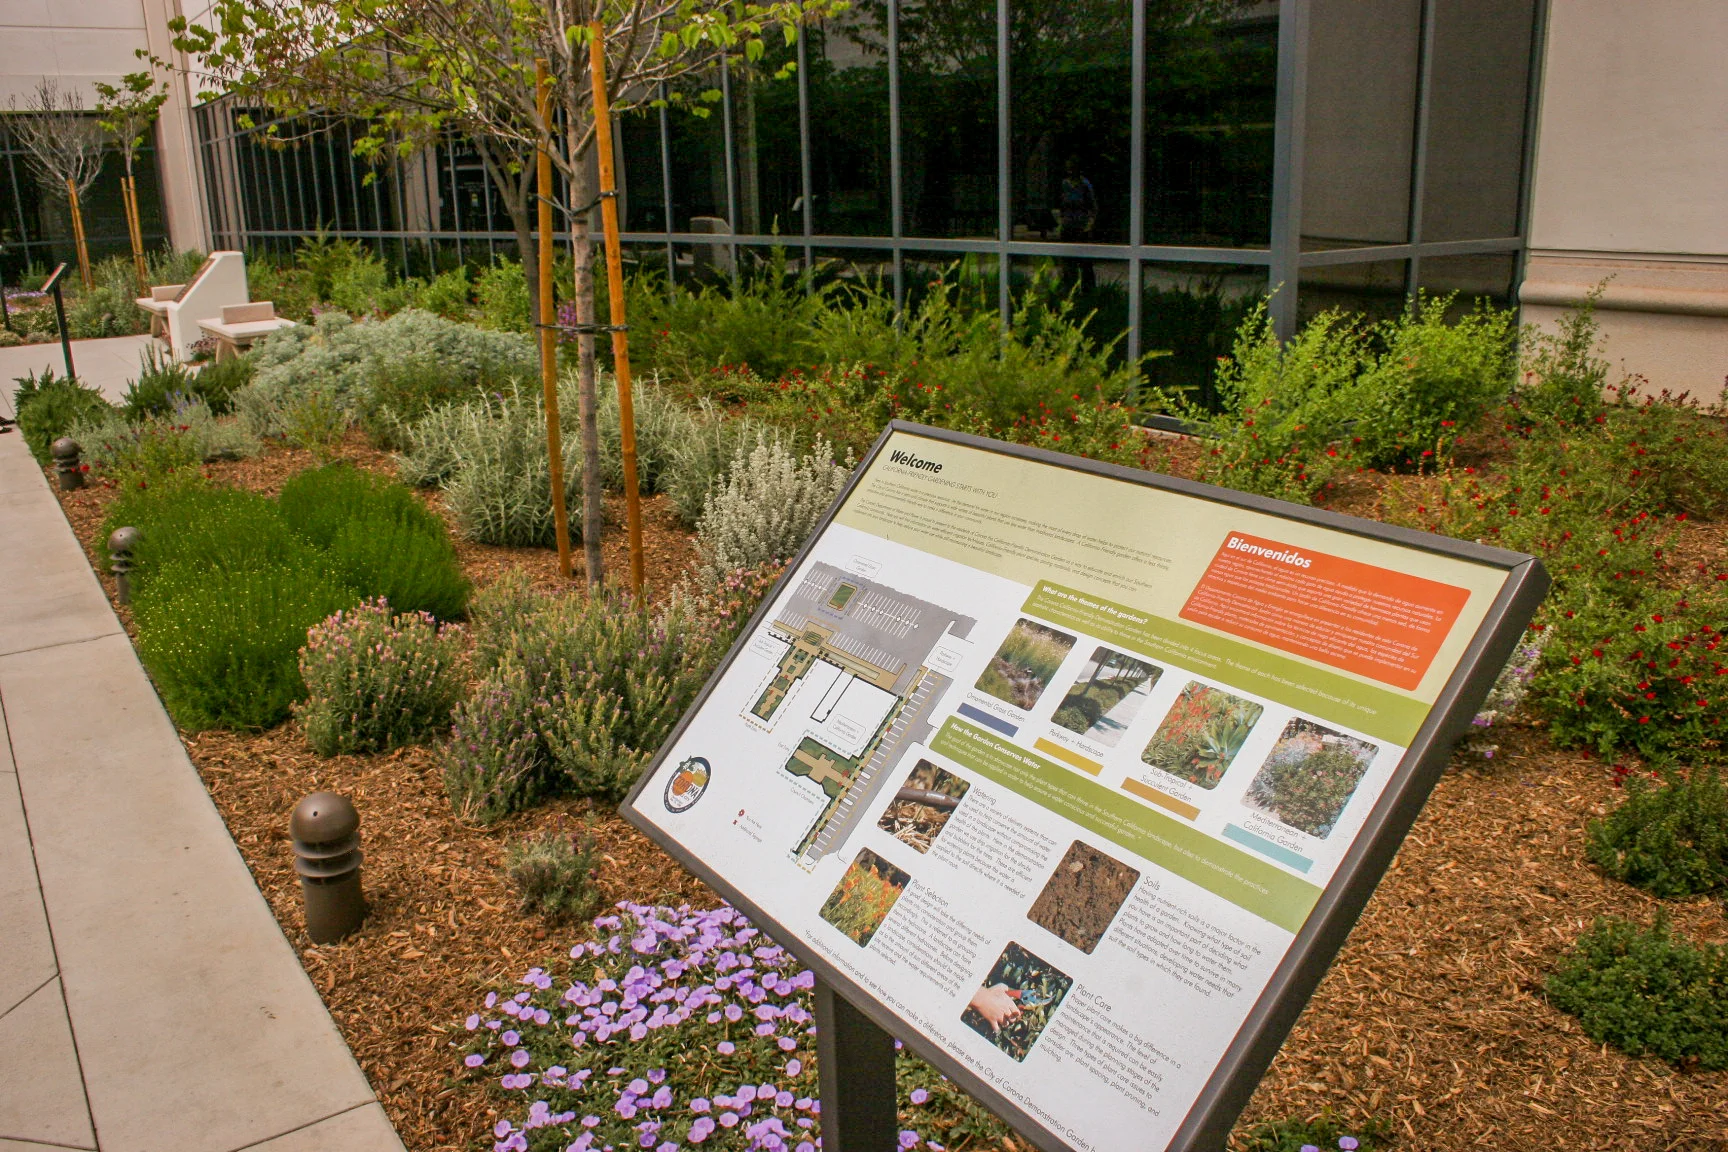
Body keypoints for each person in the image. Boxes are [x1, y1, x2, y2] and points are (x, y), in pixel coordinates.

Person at [1058, 158, 1098, 292]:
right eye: (1068, 167)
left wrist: (1089, 226)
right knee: (1068, 262)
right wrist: (1061, 223)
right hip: (1067, 227)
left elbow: (1093, 208)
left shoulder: (1085, 184)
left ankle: (1088, 290)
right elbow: (1061, 206)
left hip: (1082, 227)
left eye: (1072, 167)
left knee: (1085, 262)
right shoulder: (1064, 184)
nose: (1070, 170)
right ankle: (1069, 289)